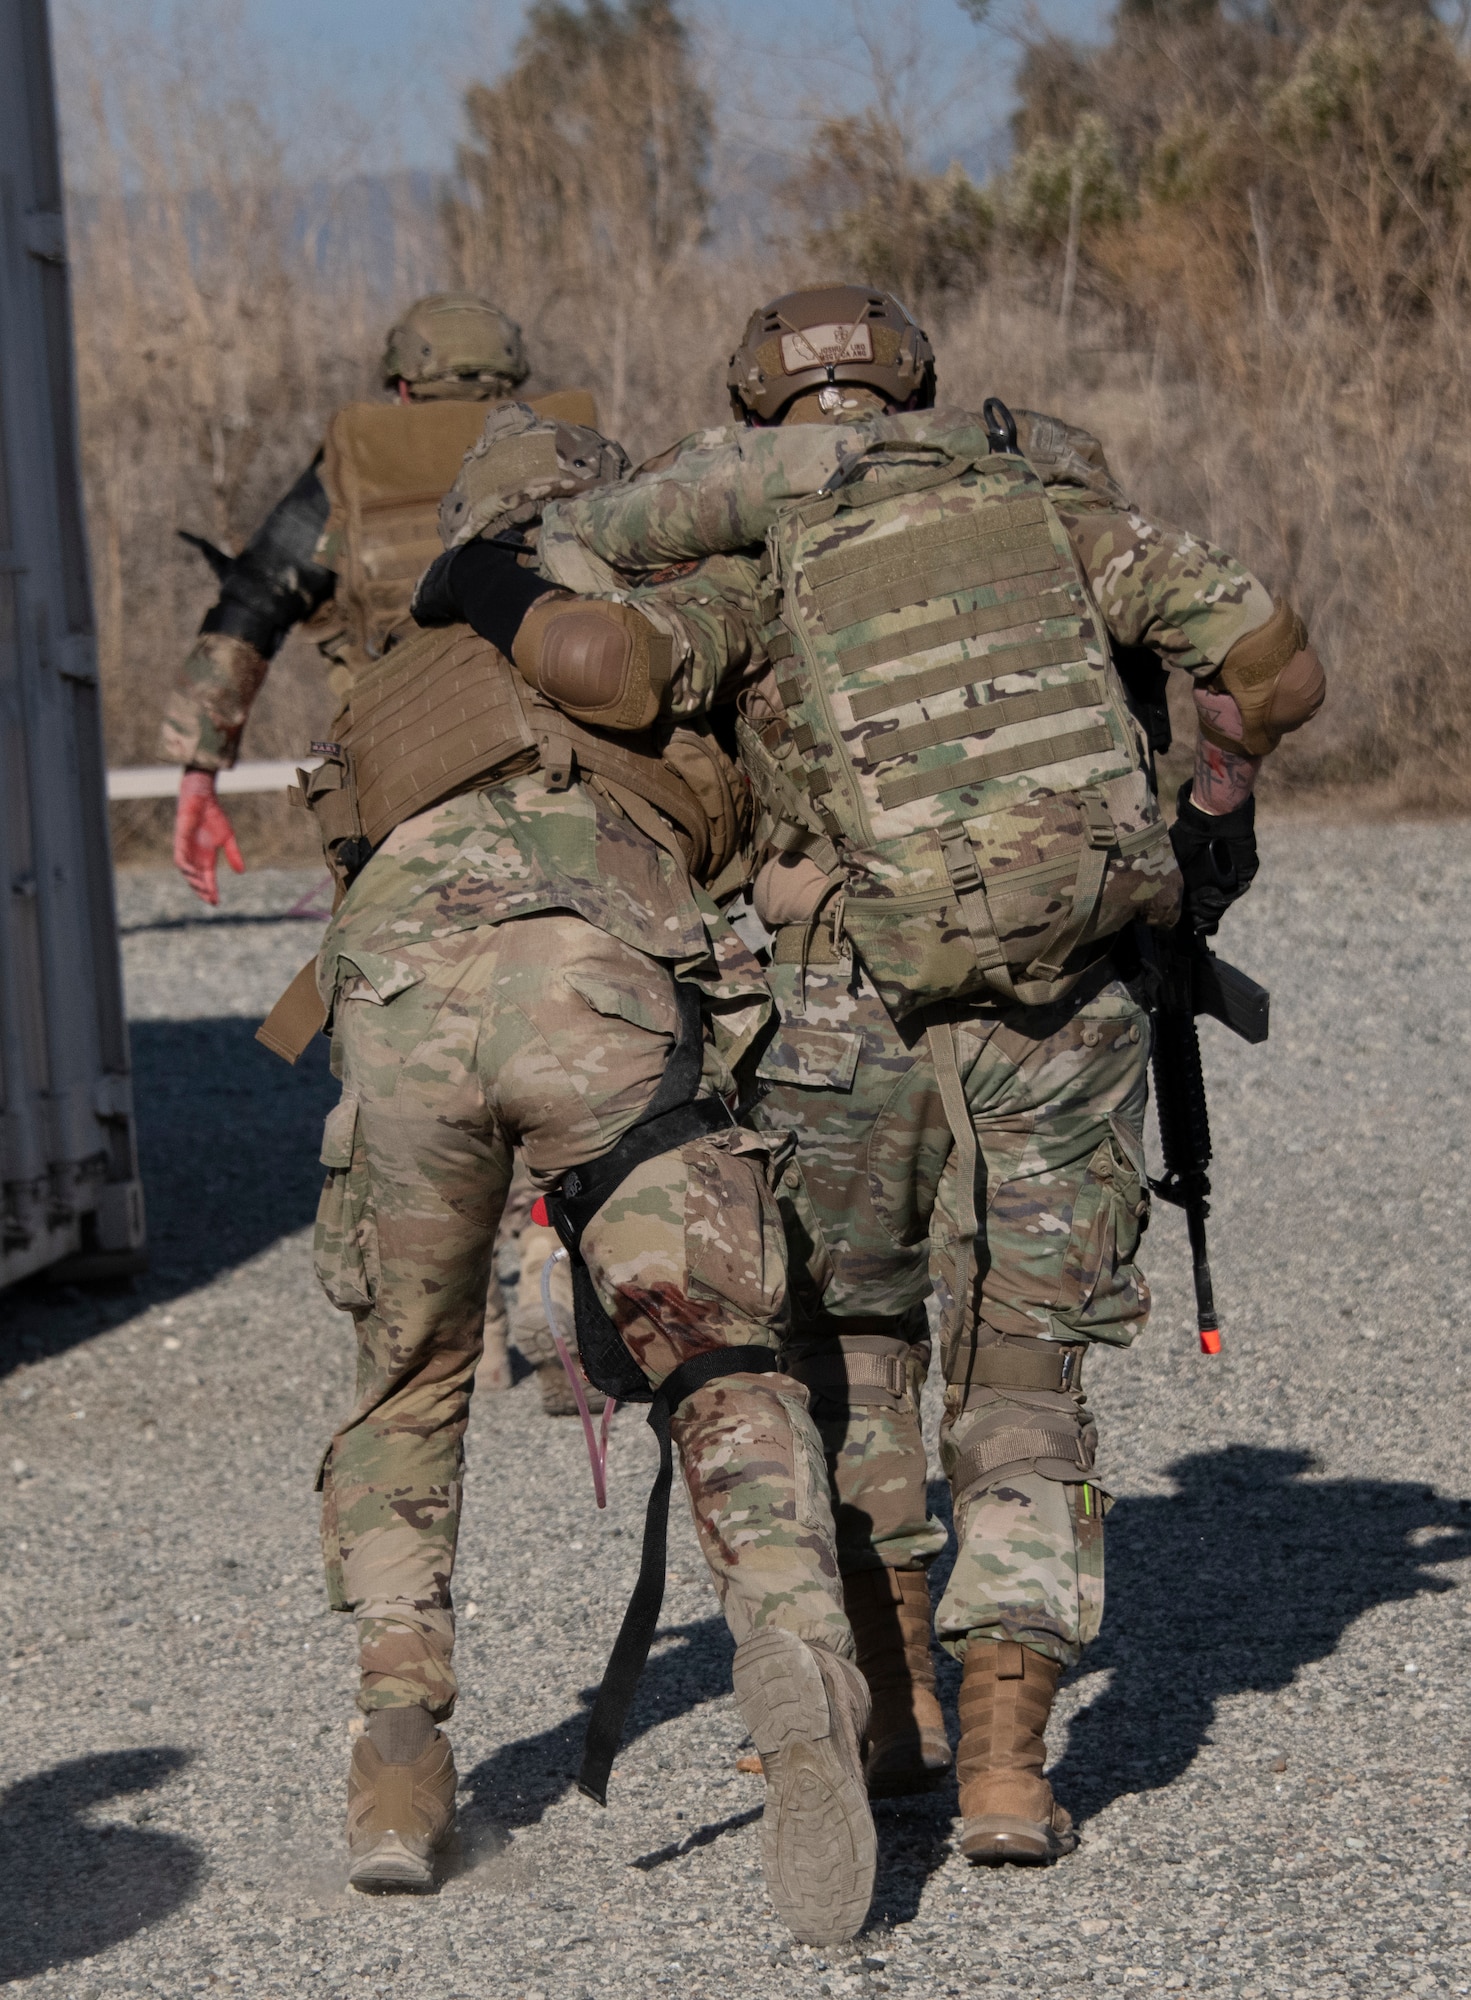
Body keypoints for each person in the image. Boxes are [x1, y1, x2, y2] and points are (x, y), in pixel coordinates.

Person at [527, 283, 1327, 1860]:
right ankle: (1007, 1769)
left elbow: (604, 669)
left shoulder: (748, 543)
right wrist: (1203, 796)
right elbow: (1270, 675)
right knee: (1025, 1376)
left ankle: (891, 1712)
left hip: (835, 1008)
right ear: (917, 384)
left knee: (854, 1351)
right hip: (1065, 1002)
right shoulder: (1051, 507)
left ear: (758, 410)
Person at [295, 404, 876, 1945]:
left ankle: (399, 1751)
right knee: (712, 1357)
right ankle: (798, 1656)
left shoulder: (393, 673)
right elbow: (776, 837)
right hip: (597, 993)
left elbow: (344, 868)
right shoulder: (656, 621)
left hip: (406, 1005)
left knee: (407, 1380)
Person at [159, 293, 592, 905]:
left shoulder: (355, 461)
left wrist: (198, 770)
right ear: (511, 378)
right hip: (573, 765)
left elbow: (253, 604)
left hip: (402, 779)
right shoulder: (575, 449)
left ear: (405, 385)